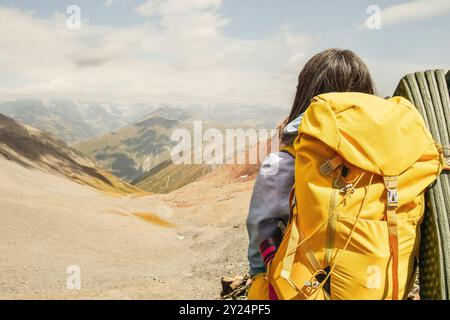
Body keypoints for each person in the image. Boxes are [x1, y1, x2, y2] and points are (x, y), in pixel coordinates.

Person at [246, 48, 376, 298]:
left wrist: (260, 279)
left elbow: (260, 229)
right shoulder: (393, 156)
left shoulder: (285, 162)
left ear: (305, 92)